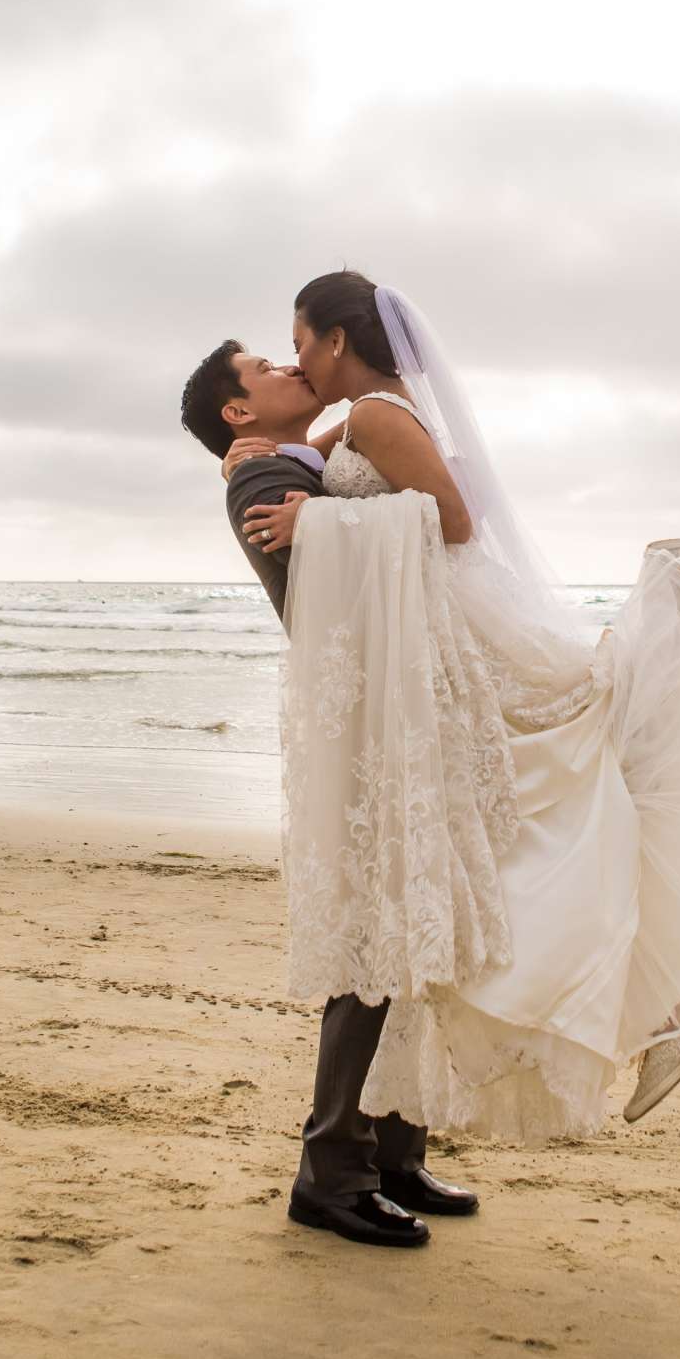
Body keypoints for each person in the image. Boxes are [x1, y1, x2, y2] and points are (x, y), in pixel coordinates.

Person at [228, 270, 680, 1147]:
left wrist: (316, 526)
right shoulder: (379, 413)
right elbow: (314, 459)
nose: (296, 363)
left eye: (298, 346)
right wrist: (257, 460)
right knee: (553, 817)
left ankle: (672, 583)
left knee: (578, 752)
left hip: (461, 632)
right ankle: (666, 1012)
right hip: (450, 628)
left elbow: (450, 521)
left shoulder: (375, 416)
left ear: (335, 341)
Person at [180, 340, 479, 1252]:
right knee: (368, 944)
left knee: (410, 930)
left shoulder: (299, 465)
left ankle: (395, 1150)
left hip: (395, 712)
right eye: (265, 366)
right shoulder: (258, 479)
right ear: (238, 412)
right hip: (358, 725)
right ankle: (330, 1171)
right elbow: (323, 591)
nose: (287, 366)